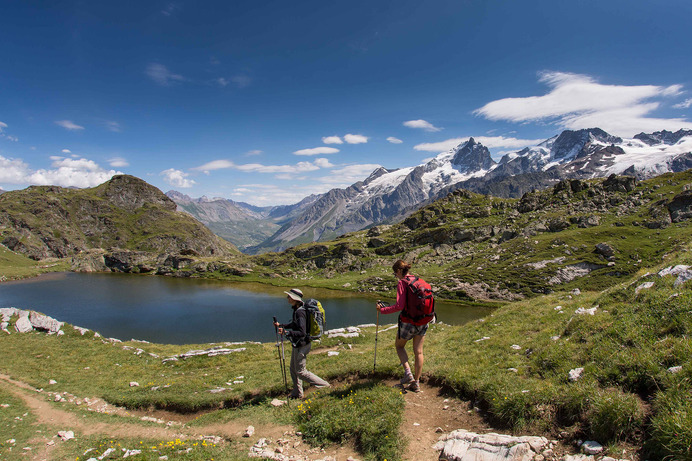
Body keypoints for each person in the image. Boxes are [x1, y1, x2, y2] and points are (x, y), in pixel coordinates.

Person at [376, 260, 429, 392]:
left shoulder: (402, 283)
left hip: (408, 322)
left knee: (399, 346)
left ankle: (408, 375)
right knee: (419, 351)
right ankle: (416, 383)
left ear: (399, 271)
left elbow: (399, 306)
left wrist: (382, 310)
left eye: (395, 274)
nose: (396, 276)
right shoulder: (418, 281)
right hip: (423, 321)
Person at [274, 288, 330, 399]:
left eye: (289, 296)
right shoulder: (298, 309)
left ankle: (324, 385)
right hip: (298, 344)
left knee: (301, 371)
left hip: (302, 345)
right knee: (293, 369)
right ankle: (297, 393)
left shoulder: (300, 312)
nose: (287, 298)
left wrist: (286, 332)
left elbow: (302, 332)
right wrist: (282, 325)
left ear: (295, 299)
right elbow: (296, 325)